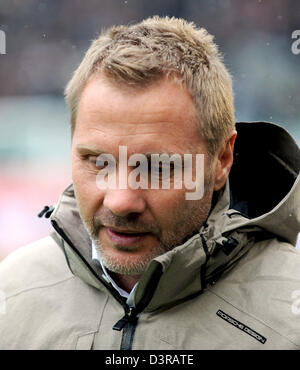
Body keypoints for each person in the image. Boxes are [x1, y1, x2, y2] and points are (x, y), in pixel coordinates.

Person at [1, 16, 300, 350]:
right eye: (99, 162)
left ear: (222, 160)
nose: (121, 201)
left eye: (158, 167)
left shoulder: (290, 318)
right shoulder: (10, 296)